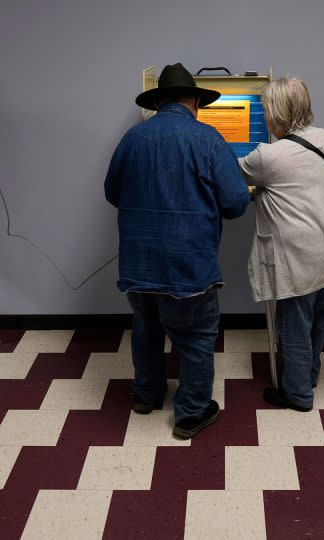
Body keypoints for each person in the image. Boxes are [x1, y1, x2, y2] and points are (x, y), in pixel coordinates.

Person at [105, 63, 250, 439]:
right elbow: (235, 203)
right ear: (196, 102)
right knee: (197, 336)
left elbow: (112, 192)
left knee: (146, 326)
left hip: (138, 262)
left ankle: (147, 394)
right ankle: (190, 413)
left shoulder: (132, 138)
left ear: (158, 102)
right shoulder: (207, 139)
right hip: (188, 265)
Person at [239, 77, 324, 412]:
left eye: (266, 112)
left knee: (293, 329)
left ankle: (297, 395)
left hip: (300, 257)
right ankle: (308, 376)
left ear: (277, 115)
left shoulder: (268, 156)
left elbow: (228, 172)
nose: (265, 119)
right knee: (316, 322)